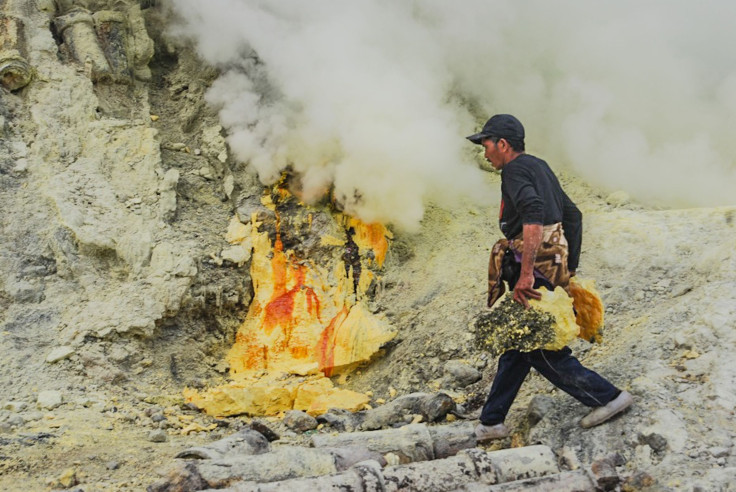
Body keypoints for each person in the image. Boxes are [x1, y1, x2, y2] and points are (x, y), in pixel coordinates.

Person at [466, 114, 633, 441]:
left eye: (486, 144)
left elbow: (531, 216)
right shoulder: (539, 166)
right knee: (517, 342)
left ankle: (608, 397)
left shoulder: (514, 170)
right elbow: (574, 216)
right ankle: (491, 421)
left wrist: (527, 273)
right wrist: (567, 268)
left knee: (540, 349)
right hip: (551, 266)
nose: (484, 153)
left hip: (535, 270)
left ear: (502, 144)